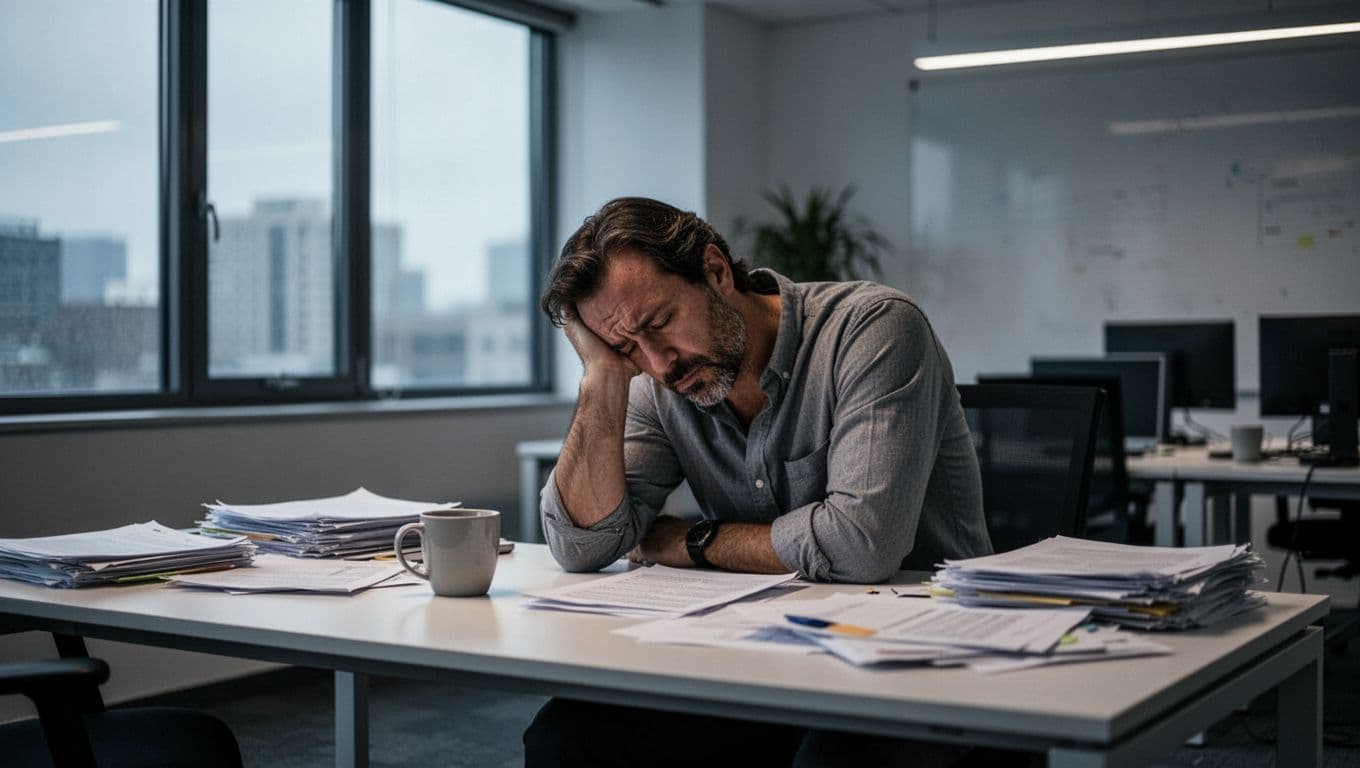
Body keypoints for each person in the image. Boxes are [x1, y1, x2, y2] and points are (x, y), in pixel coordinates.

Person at [523, 196, 992, 767]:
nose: (658, 362)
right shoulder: (657, 382)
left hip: (915, 658)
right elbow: (580, 546)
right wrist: (602, 377)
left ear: (716, 272)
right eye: (627, 348)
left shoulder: (872, 329)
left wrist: (691, 540)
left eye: (659, 323)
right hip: (761, 653)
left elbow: (864, 545)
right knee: (567, 736)